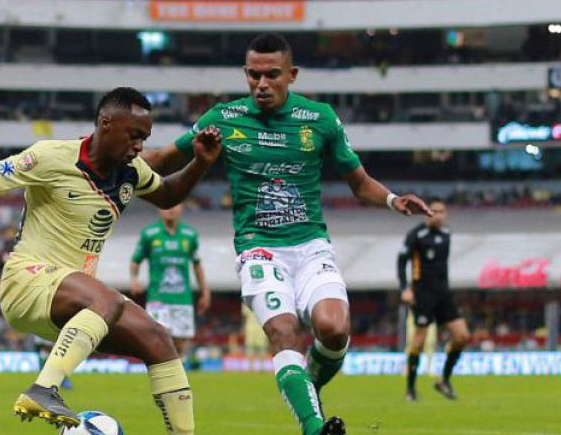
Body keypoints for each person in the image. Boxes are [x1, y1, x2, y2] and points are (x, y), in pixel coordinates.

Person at [145, 33, 432, 435]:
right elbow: (161, 159)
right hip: (258, 249)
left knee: (334, 329)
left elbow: (360, 182)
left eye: (272, 75)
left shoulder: (320, 119)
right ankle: (315, 426)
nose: (262, 84)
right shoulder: (223, 119)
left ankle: (306, 386)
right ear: (246, 75)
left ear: (291, 75)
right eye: (254, 75)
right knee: (282, 331)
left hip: (311, 246)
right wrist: (100, 157)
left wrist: (393, 200)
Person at [0, 87, 222, 433]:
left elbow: (169, 193)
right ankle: (43, 388)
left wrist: (201, 163)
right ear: (106, 123)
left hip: (76, 301)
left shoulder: (130, 172)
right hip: (27, 282)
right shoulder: (52, 156)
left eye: (144, 138)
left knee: (157, 338)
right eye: (134, 135)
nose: (139, 146)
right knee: (107, 298)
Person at [397, 201, 469, 401]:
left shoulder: (446, 235)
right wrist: (405, 288)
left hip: (443, 293)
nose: (437, 215)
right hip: (422, 294)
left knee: (462, 336)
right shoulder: (416, 235)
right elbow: (402, 261)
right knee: (419, 341)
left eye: (441, 212)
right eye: (433, 211)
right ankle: (410, 390)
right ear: (426, 213)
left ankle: (444, 380)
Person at [129, 204, 210, 361]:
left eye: (175, 205)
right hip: (158, 298)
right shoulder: (150, 234)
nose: (170, 209)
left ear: (182, 208)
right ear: (159, 208)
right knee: (158, 340)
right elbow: (135, 261)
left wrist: (205, 291)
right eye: (167, 205)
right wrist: (134, 279)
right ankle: (162, 378)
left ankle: (177, 380)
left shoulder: (190, 235)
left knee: (180, 343)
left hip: (182, 299)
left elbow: (197, 265)